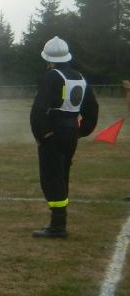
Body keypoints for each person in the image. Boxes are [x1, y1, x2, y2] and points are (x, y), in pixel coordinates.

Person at [30, 36, 98, 238]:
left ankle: (57, 226)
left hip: (54, 133)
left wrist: (41, 135)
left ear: (48, 59)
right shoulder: (80, 77)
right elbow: (92, 109)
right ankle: (59, 223)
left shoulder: (51, 76)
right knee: (62, 176)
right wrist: (81, 131)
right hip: (71, 133)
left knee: (52, 178)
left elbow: (38, 110)